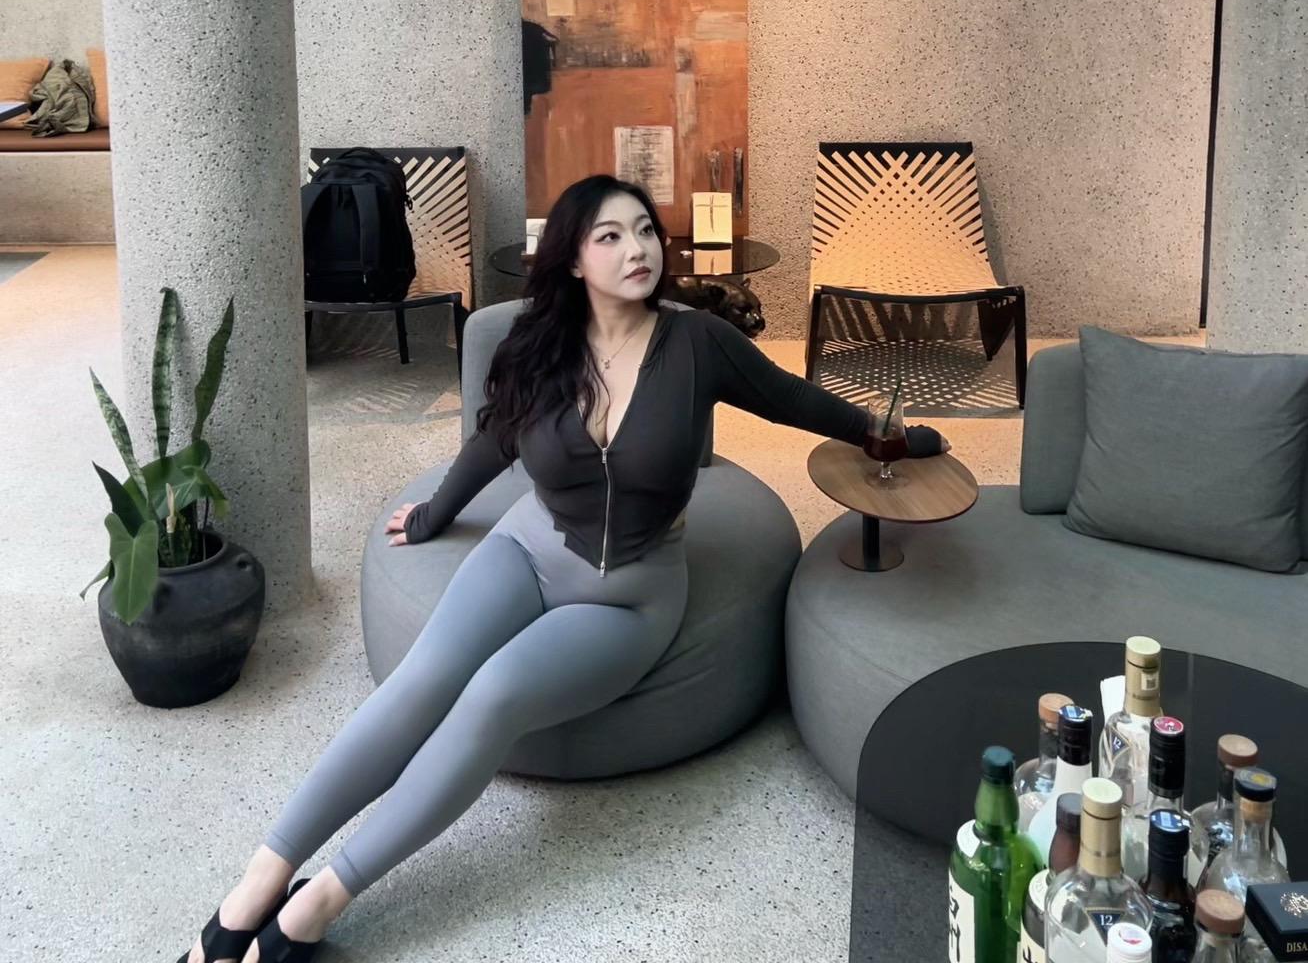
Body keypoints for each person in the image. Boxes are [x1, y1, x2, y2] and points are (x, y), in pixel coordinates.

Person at [181, 173, 940, 963]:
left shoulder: (697, 345)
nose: (637, 249)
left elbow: (795, 400)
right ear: (574, 260)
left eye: (644, 230)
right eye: (609, 236)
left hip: (626, 599)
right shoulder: (541, 345)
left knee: (492, 696)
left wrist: (888, 437)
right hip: (524, 548)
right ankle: (256, 887)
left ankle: (320, 902)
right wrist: (437, 512)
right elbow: (493, 440)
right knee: (422, 679)